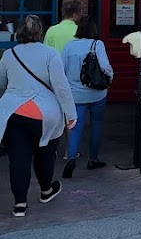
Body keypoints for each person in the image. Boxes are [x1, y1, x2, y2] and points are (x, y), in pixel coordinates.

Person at [0, 15, 77, 217]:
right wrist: (70, 113)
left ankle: (19, 204)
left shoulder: (9, 54)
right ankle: (46, 190)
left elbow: (1, 84)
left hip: (14, 114)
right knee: (45, 154)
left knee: (18, 159)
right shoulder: (50, 54)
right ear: (40, 32)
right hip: (45, 115)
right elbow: (61, 86)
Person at [61, 17, 114, 178]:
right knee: (96, 125)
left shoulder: (68, 46)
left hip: (75, 94)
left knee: (75, 126)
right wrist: (110, 78)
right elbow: (104, 67)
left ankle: (71, 157)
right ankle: (93, 159)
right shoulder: (97, 44)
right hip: (96, 93)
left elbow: (61, 69)